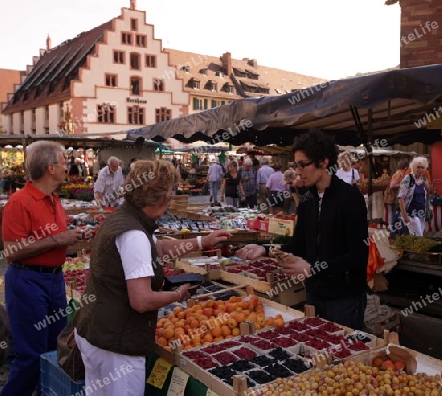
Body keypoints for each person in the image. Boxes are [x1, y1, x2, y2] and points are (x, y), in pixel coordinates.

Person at [73, 160, 231, 395]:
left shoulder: (124, 217)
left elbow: (159, 248)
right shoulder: (133, 233)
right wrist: (178, 294)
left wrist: (202, 241)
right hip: (117, 345)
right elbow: (142, 301)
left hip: (97, 332)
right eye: (169, 194)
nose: (170, 200)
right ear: (158, 198)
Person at [237, 129, 368, 330]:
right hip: (313, 293)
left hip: (343, 299)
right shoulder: (308, 200)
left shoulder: (350, 198)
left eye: (302, 165)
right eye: (295, 165)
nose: (297, 171)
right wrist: (264, 249)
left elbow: (358, 256)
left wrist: (312, 268)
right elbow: (298, 245)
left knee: (342, 355)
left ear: (323, 163)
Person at [1, 141, 93, 396]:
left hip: (53, 281)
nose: (67, 166)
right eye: (63, 162)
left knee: (56, 349)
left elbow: (56, 238)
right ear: (50, 168)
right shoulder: (19, 202)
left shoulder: (53, 199)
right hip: (27, 282)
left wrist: (77, 236)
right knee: (32, 355)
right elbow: (11, 251)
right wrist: (59, 239)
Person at [398, 156, 431, 237]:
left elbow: (428, 194)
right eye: (418, 167)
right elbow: (401, 197)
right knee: (419, 236)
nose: (420, 169)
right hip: (411, 213)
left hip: (422, 213)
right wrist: (404, 215)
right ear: (413, 168)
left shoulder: (424, 179)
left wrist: (428, 188)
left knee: (415, 237)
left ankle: (409, 249)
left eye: (422, 167)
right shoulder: (408, 179)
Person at [387, 158, 409, 240]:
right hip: (396, 200)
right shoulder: (399, 174)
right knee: (395, 218)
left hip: (398, 199)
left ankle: (397, 234)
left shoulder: (401, 174)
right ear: (406, 167)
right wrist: (402, 184)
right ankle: (393, 234)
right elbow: (392, 185)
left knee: (398, 217)